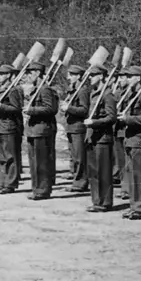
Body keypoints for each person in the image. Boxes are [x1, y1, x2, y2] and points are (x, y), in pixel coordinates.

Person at [118, 65, 141, 219]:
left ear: (138, 78)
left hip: (140, 140)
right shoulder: (132, 93)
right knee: (132, 176)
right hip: (131, 139)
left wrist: (128, 119)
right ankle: (135, 206)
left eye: (130, 76)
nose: (127, 79)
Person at [83, 65, 117, 212]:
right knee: (94, 172)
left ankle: (105, 202)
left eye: (93, 75)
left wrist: (94, 122)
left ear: (101, 76)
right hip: (92, 137)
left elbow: (111, 117)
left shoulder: (107, 94)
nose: (90, 77)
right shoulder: (94, 94)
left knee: (103, 172)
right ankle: (97, 201)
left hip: (103, 138)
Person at [24, 61, 59, 200]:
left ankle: (43, 190)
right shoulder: (36, 89)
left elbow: (50, 109)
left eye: (30, 73)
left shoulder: (45, 89)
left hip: (42, 129)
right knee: (34, 162)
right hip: (33, 129)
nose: (28, 76)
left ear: (38, 73)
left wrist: (31, 110)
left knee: (42, 162)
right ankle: (37, 188)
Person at [0, 64, 23, 194]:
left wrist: (1, 106)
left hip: (9, 126)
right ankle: (3, 182)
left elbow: (16, 109)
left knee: (10, 156)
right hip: (0, 126)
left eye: (1, 74)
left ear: (8, 75)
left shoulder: (13, 90)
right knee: (2, 157)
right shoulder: (0, 88)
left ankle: (11, 183)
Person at [62, 64, 91, 193]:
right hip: (71, 127)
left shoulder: (82, 90)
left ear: (79, 76)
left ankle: (81, 183)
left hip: (78, 127)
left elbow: (85, 110)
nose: (69, 77)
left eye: (72, 75)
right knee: (74, 156)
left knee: (79, 157)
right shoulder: (72, 90)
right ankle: (77, 180)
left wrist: (69, 108)